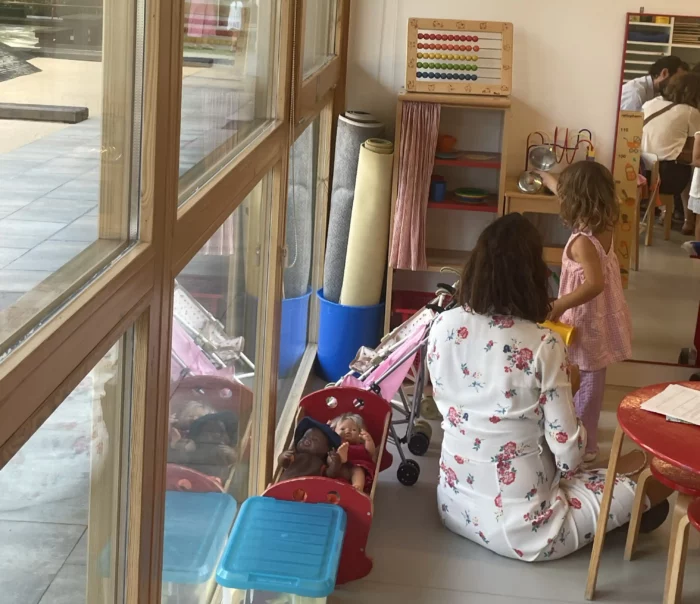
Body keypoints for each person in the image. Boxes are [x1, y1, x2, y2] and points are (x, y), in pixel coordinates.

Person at [427, 214, 670, 561]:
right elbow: (569, 456)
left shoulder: (443, 325)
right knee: (659, 469)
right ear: (532, 275)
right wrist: (570, 390)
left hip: (454, 506)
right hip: (528, 530)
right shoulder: (543, 343)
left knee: (613, 469)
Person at [540, 162, 631, 463]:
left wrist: (560, 304)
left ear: (575, 201)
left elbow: (594, 284)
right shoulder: (604, 226)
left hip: (584, 319)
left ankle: (585, 446)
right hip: (597, 318)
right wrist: (544, 177)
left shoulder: (582, 243)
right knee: (591, 375)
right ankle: (583, 433)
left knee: (585, 382)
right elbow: (562, 188)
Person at [642, 72, 700, 233]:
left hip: (641, 171)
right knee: (693, 168)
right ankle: (689, 220)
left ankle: (666, 211)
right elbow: (694, 150)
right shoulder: (691, 112)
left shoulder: (650, 103)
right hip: (667, 177)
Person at [620, 55, 688, 111]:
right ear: (664, 73)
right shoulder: (635, 93)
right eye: (678, 80)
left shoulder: (657, 93)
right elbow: (627, 123)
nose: (680, 85)